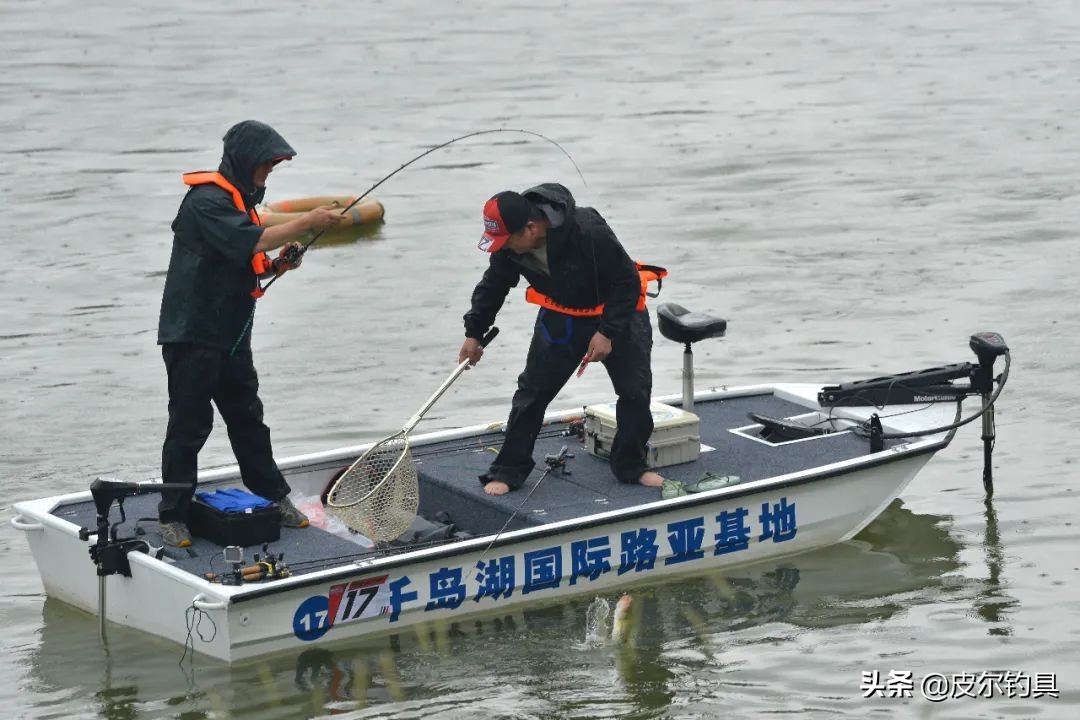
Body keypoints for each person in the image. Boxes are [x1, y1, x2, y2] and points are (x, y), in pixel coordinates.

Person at [156, 119, 344, 547]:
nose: (269, 171)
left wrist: (279, 265)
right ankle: (173, 515)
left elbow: (246, 259)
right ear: (245, 160)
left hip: (232, 338)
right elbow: (251, 241)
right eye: (266, 163)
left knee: (249, 421)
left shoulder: (239, 204)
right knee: (189, 427)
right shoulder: (205, 202)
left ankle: (273, 496)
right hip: (193, 337)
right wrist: (309, 220)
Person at [459, 184, 666, 496]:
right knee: (531, 393)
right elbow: (494, 285)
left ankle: (632, 465)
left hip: (617, 312)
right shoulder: (507, 247)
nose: (502, 248)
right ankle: (508, 469)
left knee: (635, 392)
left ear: (531, 228)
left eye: (506, 240)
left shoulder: (588, 229)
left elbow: (627, 281)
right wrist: (474, 333)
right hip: (562, 316)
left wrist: (606, 332)